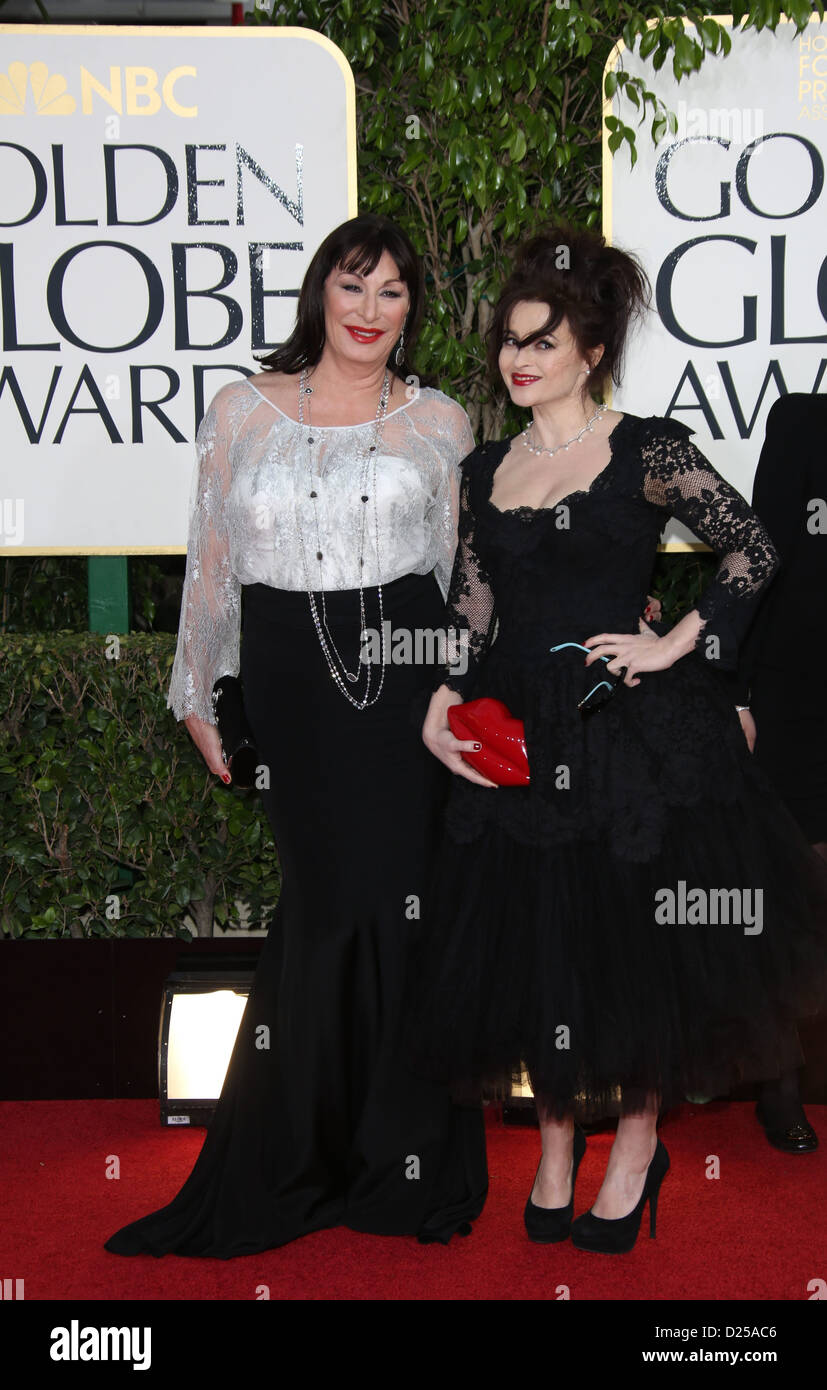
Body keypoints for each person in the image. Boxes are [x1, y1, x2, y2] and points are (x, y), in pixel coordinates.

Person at [404, 225, 827, 1255]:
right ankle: (554, 1145)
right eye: (510, 341)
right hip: (517, 735)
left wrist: (675, 641)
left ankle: (634, 1146)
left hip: (626, 731)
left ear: (590, 350)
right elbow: (471, 605)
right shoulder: (486, 464)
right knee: (546, 948)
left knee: (634, 949)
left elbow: (752, 546)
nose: (519, 359)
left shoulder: (645, 448)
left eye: (541, 341)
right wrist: (437, 694)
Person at [104, 213, 488, 1258]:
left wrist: (472, 696)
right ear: (321, 291)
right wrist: (197, 692)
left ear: (412, 311)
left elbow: (463, 582)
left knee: (403, 912)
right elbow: (210, 563)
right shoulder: (240, 411)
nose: (369, 311)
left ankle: (401, 1166)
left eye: (393, 293)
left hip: (406, 686)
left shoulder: (441, 422)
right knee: (321, 911)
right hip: (288, 686)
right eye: (353, 286)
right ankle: (295, 1159)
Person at [730, 392, 827, 1153]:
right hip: (802, 689)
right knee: (795, 888)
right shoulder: (801, 421)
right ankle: (780, 1080)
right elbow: (757, 559)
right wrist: (736, 691)